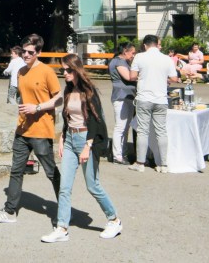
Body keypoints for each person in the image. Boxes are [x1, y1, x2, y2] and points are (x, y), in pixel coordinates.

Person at [41, 54, 122, 243]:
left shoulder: (89, 91)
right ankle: (62, 228)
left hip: (87, 139)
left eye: (68, 70)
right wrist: (62, 136)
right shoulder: (68, 90)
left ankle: (114, 219)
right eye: (63, 70)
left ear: (77, 70)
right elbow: (67, 115)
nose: (65, 74)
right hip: (70, 139)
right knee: (64, 187)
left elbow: (95, 119)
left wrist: (88, 145)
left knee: (92, 185)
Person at [0, 33, 62, 224]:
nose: (26, 55)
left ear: (38, 52)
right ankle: (10, 210)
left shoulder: (47, 72)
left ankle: (64, 206)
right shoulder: (20, 72)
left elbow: (59, 98)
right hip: (22, 130)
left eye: (30, 52)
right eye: (24, 52)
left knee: (51, 171)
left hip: (41, 130)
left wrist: (37, 107)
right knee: (16, 170)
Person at [128, 34, 178, 173]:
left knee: (143, 131)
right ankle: (163, 164)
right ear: (157, 44)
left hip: (144, 97)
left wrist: (143, 76)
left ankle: (140, 163)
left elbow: (132, 76)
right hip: (161, 99)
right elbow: (174, 77)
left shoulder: (139, 57)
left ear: (145, 45)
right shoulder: (167, 58)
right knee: (161, 131)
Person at [108, 42, 137, 164]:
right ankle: (117, 156)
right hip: (121, 97)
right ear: (125, 51)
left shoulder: (124, 62)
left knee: (126, 127)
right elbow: (128, 77)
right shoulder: (118, 62)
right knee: (120, 127)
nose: (133, 55)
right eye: (132, 53)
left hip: (128, 97)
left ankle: (122, 153)